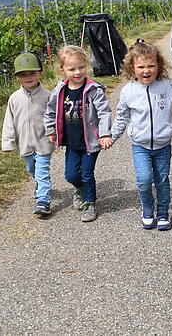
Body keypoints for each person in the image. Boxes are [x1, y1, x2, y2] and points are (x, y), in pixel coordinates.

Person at [111, 40, 172, 230]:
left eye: (151, 65)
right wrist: (111, 136)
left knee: (161, 180)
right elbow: (121, 117)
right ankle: (147, 209)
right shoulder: (128, 91)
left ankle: (164, 213)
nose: (146, 70)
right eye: (141, 66)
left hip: (163, 145)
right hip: (140, 146)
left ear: (159, 66)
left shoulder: (166, 85)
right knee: (143, 180)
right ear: (132, 68)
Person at [44, 45, 113, 223]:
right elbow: (50, 111)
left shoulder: (93, 90)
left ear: (86, 66)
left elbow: (104, 112)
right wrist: (51, 129)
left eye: (81, 67)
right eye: (72, 69)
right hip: (72, 141)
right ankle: (79, 188)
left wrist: (104, 134)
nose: (77, 72)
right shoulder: (59, 90)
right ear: (62, 70)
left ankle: (90, 203)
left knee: (87, 173)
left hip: (91, 141)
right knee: (71, 175)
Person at [1, 52, 56, 217]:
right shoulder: (14, 99)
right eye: (23, 75)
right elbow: (9, 121)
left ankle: (43, 201)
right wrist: (7, 142)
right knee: (32, 168)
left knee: (42, 170)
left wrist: (56, 134)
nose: (28, 77)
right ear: (17, 77)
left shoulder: (47, 96)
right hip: (24, 144)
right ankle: (40, 185)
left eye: (32, 73)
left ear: (40, 73)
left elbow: (54, 117)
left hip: (44, 142)